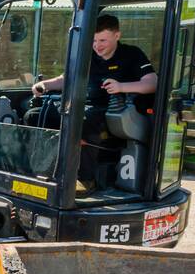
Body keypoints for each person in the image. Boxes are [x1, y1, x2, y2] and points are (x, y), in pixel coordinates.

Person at [31, 13, 157, 190]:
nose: (97, 46)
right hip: (81, 105)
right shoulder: (88, 55)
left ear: (117, 35)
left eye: (103, 40)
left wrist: (121, 87)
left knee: (84, 121)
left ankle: (85, 179)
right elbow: (66, 79)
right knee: (34, 115)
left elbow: (152, 83)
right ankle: (40, 169)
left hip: (111, 110)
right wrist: (44, 85)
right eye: (94, 40)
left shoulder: (132, 54)